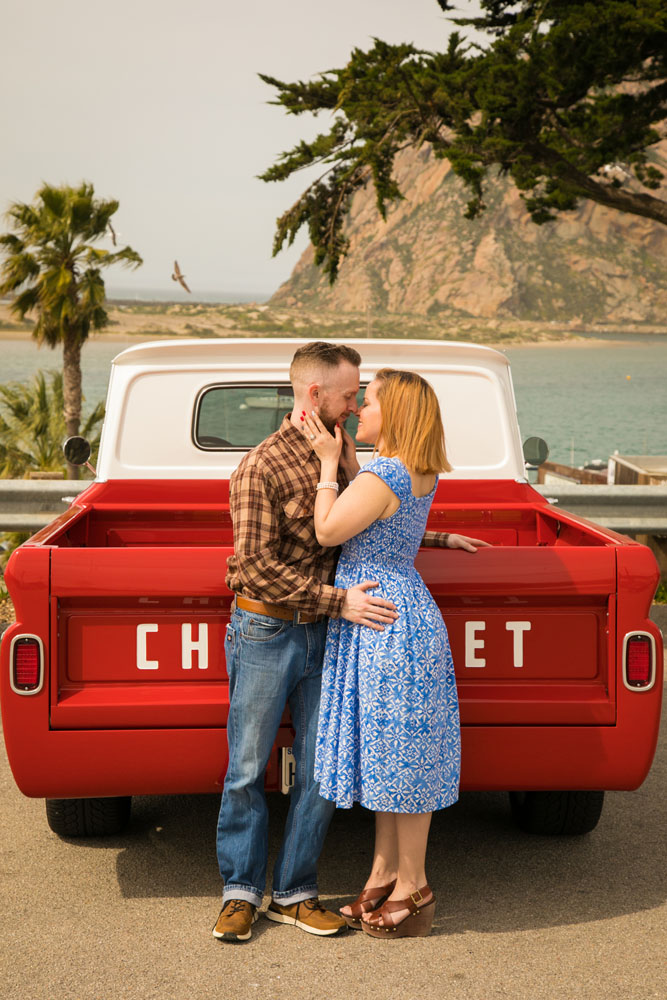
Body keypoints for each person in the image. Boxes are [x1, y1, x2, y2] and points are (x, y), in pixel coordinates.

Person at [213, 342, 400, 943]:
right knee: (247, 768)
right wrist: (339, 600)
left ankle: (295, 892)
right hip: (267, 629)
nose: (355, 405)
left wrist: (440, 539)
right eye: (349, 395)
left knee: (321, 770)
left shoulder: (344, 455)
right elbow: (255, 568)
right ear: (314, 396)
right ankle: (239, 892)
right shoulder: (260, 466)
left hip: (329, 632)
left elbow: (364, 526)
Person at [301, 368, 489, 939]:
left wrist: (328, 468)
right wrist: (441, 538)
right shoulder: (415, 470)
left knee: (403, 756)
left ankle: (415, 885)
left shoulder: (384, 471)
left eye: (371, 401)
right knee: (393, 753)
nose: (360, 409)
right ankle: (384, 874)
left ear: (398, 413)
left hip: (382, 618)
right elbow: (383, 528)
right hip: (400, 607)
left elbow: (331, 529)